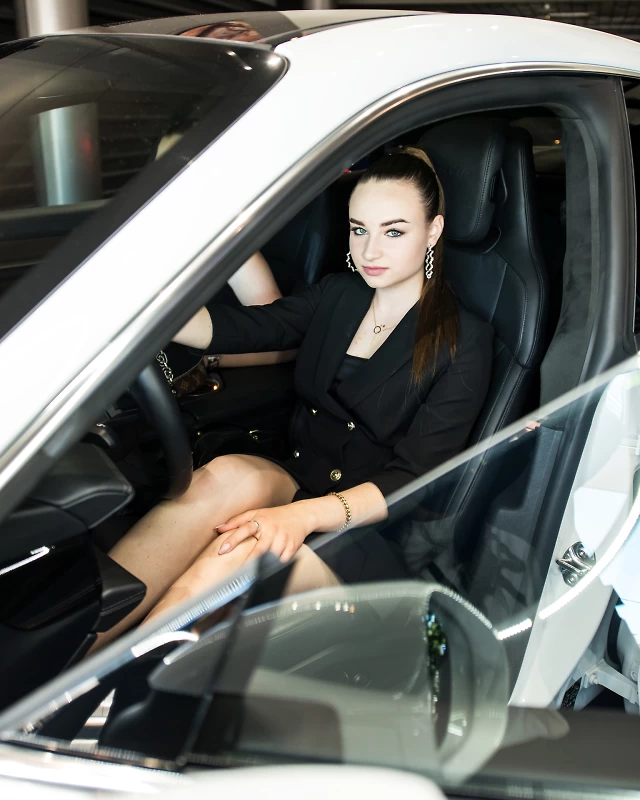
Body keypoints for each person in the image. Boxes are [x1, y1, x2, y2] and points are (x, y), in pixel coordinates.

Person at [95, 146, 494, 649]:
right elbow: (240, 328)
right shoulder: (339, 294)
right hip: (300, 476)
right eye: (359, 230)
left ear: (433, 231)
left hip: (367, 529)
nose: (371, 251)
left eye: (393, 232)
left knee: (242, 551)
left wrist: (300, 517)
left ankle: (115, 678)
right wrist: (130, 305)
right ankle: (81, 647)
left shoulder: (464, 340)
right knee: (224, 476)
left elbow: (414, 480)